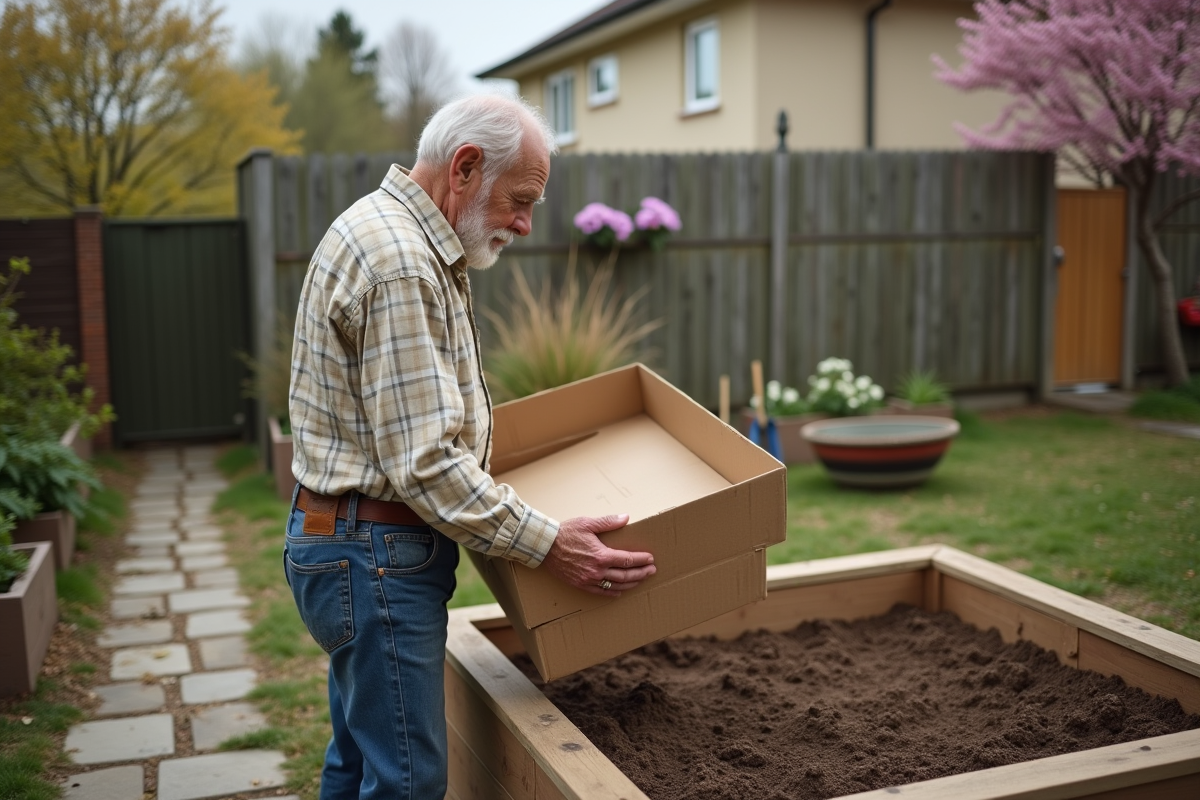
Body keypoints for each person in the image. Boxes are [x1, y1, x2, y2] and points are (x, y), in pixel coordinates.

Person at [283, 93, 657, 800]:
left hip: (350, 546)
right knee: (408, 782)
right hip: (375, 561)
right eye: (520, 198)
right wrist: (551, 542)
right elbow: (425, 463)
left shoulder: (391, 234)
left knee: (360, 762)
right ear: (464, 167)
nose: (523, 222)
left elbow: (420, 432)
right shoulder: (402, 265)